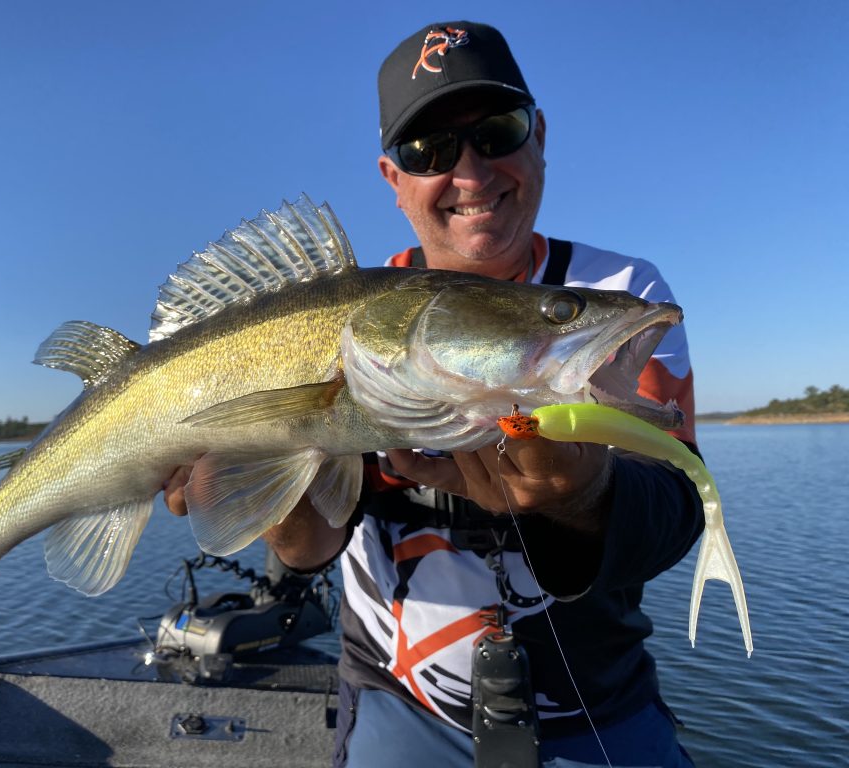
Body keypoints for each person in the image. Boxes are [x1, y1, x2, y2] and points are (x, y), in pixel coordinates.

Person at [165, 20, 703, 768]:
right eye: (429, 151)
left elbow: (680, 508)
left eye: (497, 131)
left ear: (539, 135)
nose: (473, 174)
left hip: (597, 708)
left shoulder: (616, 297)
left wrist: (584, 495)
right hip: (397, 704)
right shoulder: (362, 324)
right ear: (394, 179)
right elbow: (309, 547)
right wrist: (247, 469)